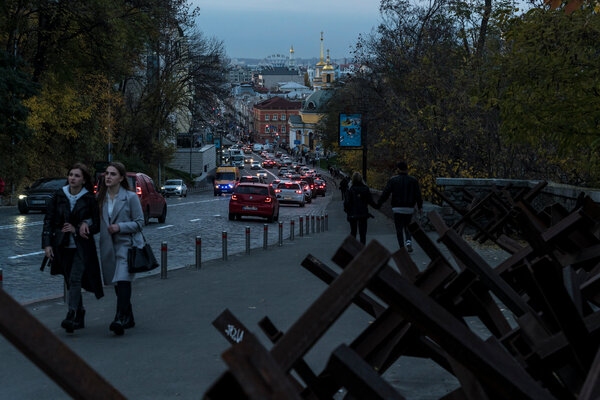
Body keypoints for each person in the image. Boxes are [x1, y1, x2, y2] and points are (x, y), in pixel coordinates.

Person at [42, 163, 104, 333]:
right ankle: (80, 313)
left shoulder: (89, 199)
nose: (73, 178)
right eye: (70, 175)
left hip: (82, 247)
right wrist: (47, 244)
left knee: (76, 279)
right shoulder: (59, 196)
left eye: (77, 176)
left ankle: (71, 313)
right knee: (69, 280)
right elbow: (49, 220)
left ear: (83, 180)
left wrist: (79, 228)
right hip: (62, 245)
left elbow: (97, 224)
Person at [97, 162, 144, 336]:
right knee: (117, 284)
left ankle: (119, 318)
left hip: (126, 245)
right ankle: (129, 316)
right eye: (106, 173)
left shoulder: (130, 197)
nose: (108, 177)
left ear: (121, 178)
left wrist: (120, 227)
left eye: (113, 174)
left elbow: (140, 223)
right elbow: (96, 221)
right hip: (108, 246)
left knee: (123, 279)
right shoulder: (101, 197)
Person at [377, 161, 423, 252]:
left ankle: (402, 247)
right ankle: (408, 242)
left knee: (399, 228)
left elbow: (386, 193)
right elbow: (418, 195)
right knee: (407, 226)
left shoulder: (393, 180)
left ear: (398, 169)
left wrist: (380, 202)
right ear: (406, 169)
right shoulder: (413, 180)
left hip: (397, 208)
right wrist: (420, 206)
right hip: (409, 208)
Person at [344, 172, 377, 244]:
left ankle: (353, 250)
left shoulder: (350, 189)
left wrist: (347, 211)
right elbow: (370, 201)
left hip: (352, 214)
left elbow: (347, 202)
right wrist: (377, 206)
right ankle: (362, 250)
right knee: (363, 234)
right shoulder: (365, 189)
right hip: (363, 213)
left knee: (353, 232)